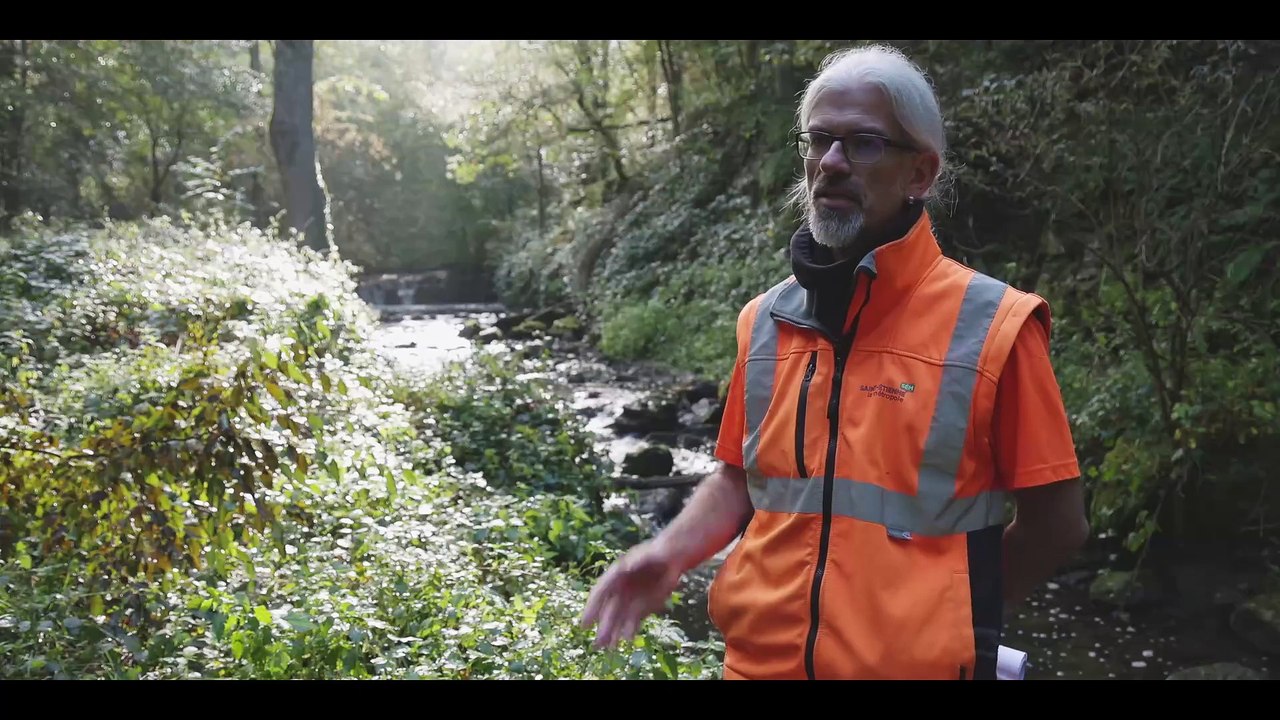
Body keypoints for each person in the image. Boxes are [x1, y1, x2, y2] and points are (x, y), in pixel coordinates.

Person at [579, 43, 1089, 680]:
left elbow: (1058, 524)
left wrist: (953, 613)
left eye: (864, 143)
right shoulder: (764, 321)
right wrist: (669, 552)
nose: (833, 163)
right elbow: (740, 480)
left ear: (921, 174)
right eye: (819, 140)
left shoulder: (996, 329)